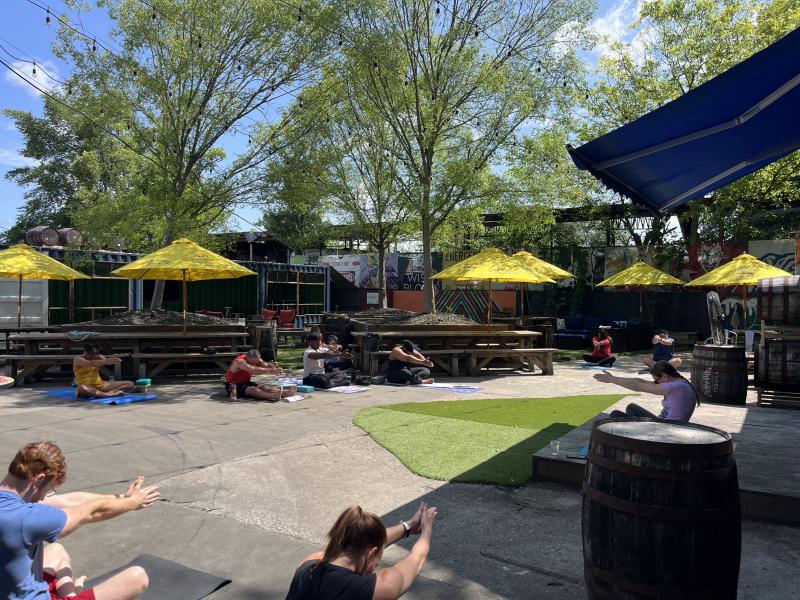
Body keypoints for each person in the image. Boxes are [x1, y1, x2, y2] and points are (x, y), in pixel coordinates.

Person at [0, 441, 159, 600]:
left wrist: (122, 498)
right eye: (49, 489)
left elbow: (67, 501)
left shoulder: (11, 503)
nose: (44, 497)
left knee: (56, 550)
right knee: (137, 577)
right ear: (38, 480)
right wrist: (133, 502)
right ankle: (74, 594)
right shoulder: (26, 517)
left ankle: (72, 595)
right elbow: (92, 512)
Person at [287, 501, 437, 600]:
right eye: (378, 560)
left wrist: (408, 526)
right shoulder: (371, 589)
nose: (376, 565)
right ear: (371, 553)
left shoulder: (307, 566)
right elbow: (416, 559)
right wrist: (427, 530)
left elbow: (355, 542)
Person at [594, 360, 700, 422]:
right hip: (665, 424)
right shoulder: (680, 382)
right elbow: (641, 381)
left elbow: (637, 386)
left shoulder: (675, 387)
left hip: (668, 430)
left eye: (656, 381)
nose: (655, 383)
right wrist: (614, 378)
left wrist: (611, 379)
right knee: (631, 407)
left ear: (665, 376)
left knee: (616, 415)